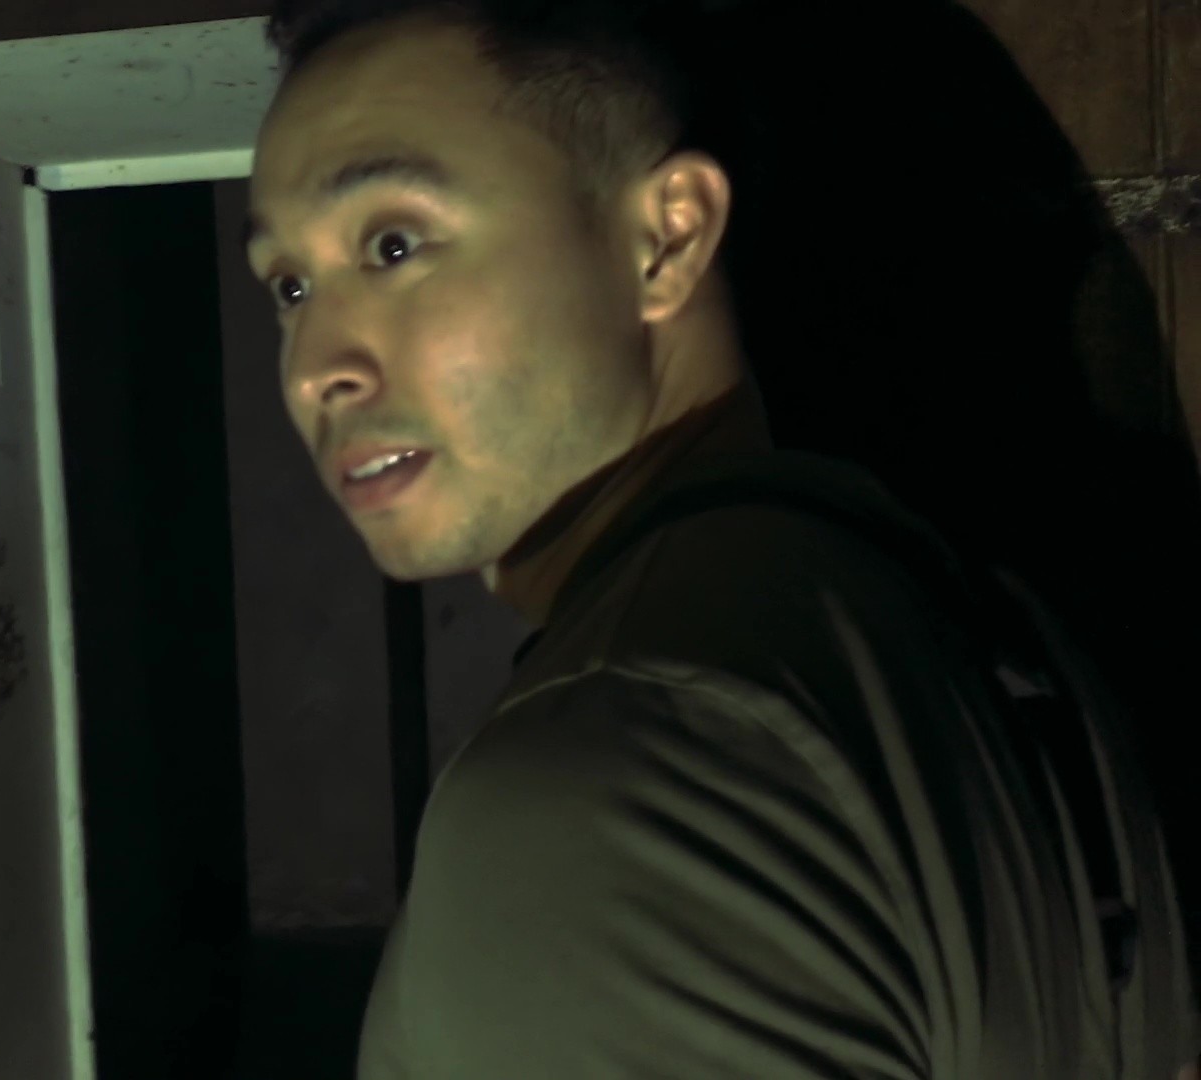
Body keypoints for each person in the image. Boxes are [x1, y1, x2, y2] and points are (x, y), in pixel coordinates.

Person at [240, 0, 1201, 1075]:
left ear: (668, 238)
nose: (316, 366)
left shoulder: (604, 780)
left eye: (393, 244)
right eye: (290, 286)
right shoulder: (961, 616)